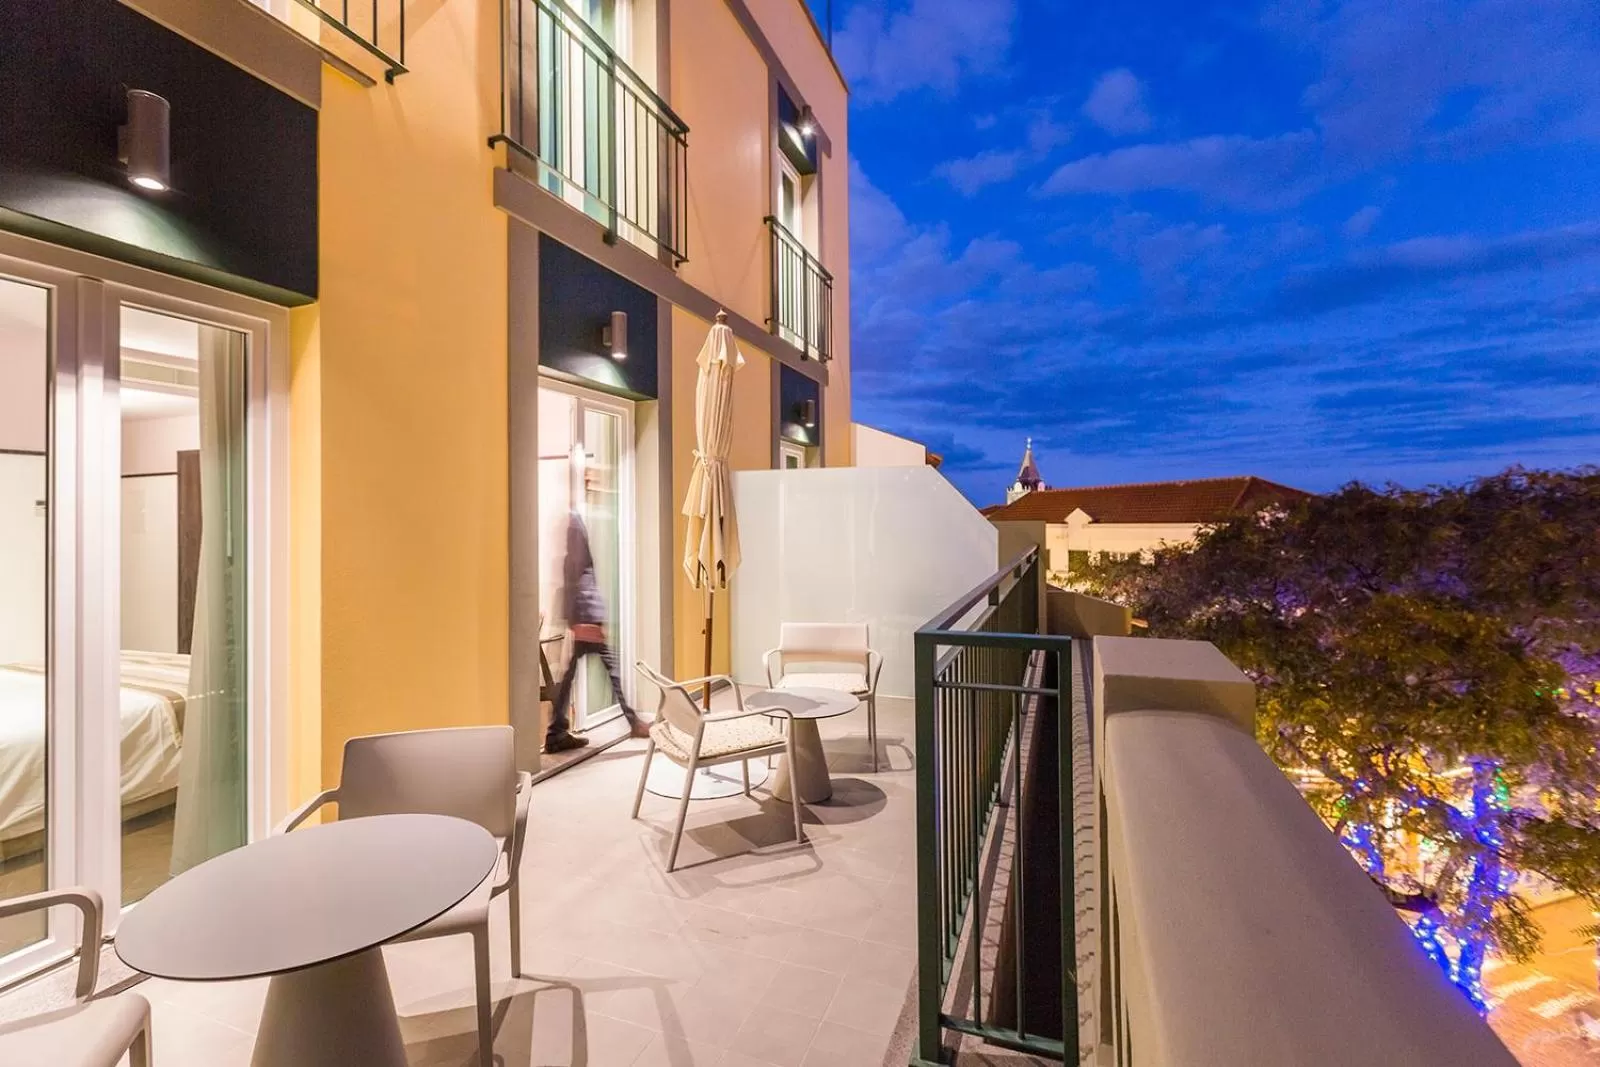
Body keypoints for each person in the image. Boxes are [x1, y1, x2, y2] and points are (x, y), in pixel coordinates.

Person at [545, 482, 650, 753]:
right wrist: (588, 617)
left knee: (574, 674)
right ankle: (631, 722)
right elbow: (578, 571)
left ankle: (556, 731)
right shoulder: (574, 524)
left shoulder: (574, 522)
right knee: (609, 670)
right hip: (585, 616)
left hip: (581, 614)